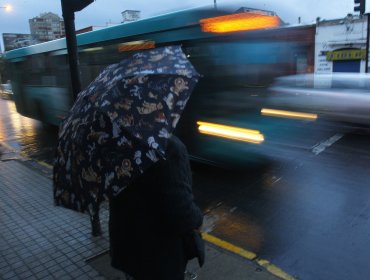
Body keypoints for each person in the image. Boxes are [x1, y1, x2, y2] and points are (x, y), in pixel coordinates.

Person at [109, 135, 204, 280]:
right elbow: (182, 213)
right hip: (158, 258)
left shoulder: (115, 142)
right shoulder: (168, 146)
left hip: (126, 247)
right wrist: (198, 218)